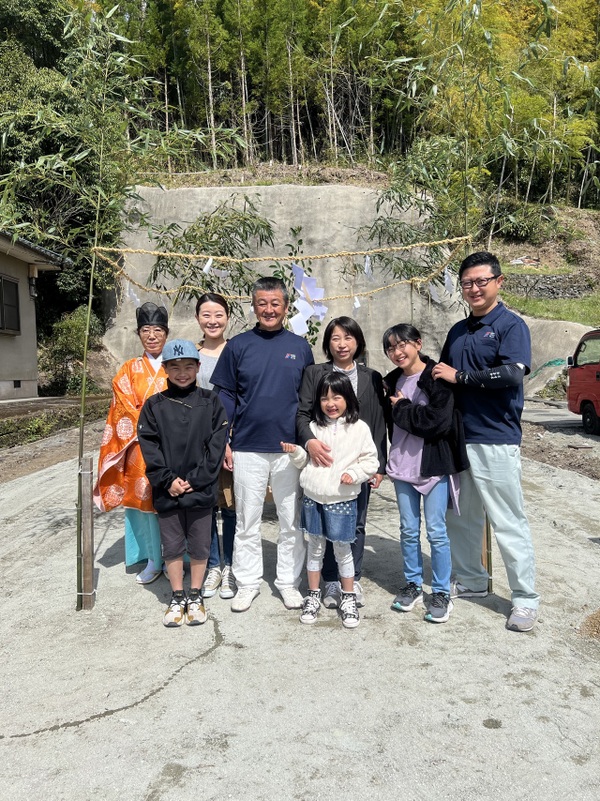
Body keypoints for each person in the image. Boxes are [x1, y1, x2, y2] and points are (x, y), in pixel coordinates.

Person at [432, 251, 540, 632]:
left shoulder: (511, 326)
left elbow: (511, 374)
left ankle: (525, 599)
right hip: (459, 439)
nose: (474, 289)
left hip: (496, 438)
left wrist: (460, 377)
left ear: (499, 282)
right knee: (462, 517)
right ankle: (473, 581)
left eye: (481, 281)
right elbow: (439, 376)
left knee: (508, 520)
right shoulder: (459, 331)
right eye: (467, 283)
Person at [211, 276, 314, 613]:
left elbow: (309, 400)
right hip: (247, 447)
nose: (269, 309)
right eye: (262, 303)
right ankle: (247, 582)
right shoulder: (238, 346)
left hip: (289, 450)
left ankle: (288, 582)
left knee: (290, 520)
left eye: (275, 303)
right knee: (246, 521)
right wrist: (224, 438)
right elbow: (225, 395)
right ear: (253, 306)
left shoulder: (300, 347)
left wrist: (307, 443)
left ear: (286, 307)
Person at [296, 317, 386, 609]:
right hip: (322, 463)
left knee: (355, 522)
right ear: (327, 343)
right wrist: (309, 442)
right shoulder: (314, 373)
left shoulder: (371, 376)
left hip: (355, 463)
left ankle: (353, 578)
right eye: (336, 338)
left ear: (358, 342)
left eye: (348, 338)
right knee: (322, 526)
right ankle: (331, 580)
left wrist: (379, 465)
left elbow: (378, 422)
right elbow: (302, 414)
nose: (342, 344)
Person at [137, 339, 228, 627]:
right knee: (173, 547)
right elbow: (149, 446)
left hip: (200, 489)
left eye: (189, 366)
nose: (182, 373)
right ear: (165, 369)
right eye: (175, 367)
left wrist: (195, 479)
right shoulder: (154, 406)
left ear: (198, 367)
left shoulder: (211, 401)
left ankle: (196, 594)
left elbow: (217, 444)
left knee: (200, 545)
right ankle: (177, 596)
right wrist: (168, 480)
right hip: (168, 490)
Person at [383, 323, 469, 624]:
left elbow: (438, 423)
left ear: (418, 343)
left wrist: (404, 408)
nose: (397, 351)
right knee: (408, 529)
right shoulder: (390, 381)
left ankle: (442, 591)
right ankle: (413, 584)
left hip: (433, 466)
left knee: (436, 532)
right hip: (402, 465)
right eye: (391, 348)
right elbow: (388, 424)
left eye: (402, 344)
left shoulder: (437, 377)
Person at [282, 372, 379, 628]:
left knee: (342, 550)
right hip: (313, 498)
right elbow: (305, 462)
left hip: (342, 500)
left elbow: (371, 461)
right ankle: (313, 595)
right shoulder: (314, 427)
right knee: (315, 548)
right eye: (324, 398)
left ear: (348, 398)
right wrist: (295, 453)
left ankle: (348, 597)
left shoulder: (359, 429)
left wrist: (354, 474)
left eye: (336, 396)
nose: (330, 403)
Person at [94, 302, 169, 585]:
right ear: (139, 334)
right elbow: (122, 405)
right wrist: (150, 426)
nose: (152, 335)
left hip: (174, 444)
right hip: (141, 445)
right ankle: (153, 559)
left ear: (166, 333)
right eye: (146, 330)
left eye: (158, 330)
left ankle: (180, 556)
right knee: (146, 503)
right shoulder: (128, 368)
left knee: (176, 500)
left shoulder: (178, 363)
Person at [195, 292, 237, 601]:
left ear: (227, 318)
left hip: (232, 442)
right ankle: (212, 565)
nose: (213, 320)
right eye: (206, 315)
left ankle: (233, 566)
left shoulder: (237, 351)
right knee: (206, 506)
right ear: (198, 318)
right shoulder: (189, 355)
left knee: (232, 505)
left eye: (218, 314)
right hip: (197, 444)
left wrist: (229, 440)